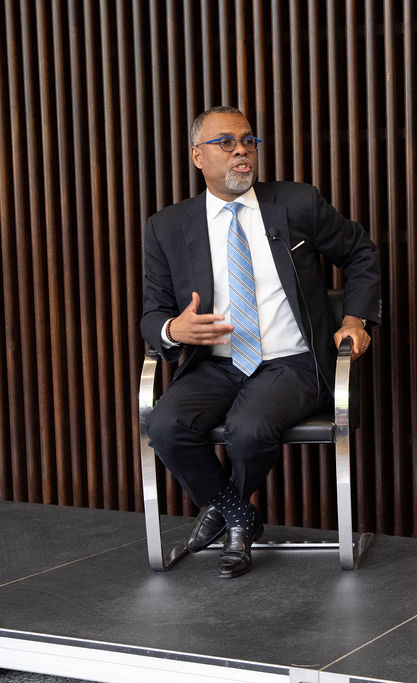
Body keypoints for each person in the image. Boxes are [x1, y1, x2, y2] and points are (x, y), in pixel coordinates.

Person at [141, 105, 381, 579]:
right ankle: (238, 514)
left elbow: (360, 253)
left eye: (248, 141)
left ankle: (228, 517)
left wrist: (355, 320)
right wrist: (173, 330)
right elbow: (153, 312)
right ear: (197, 156)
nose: (241, 152)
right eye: (225, 143)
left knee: (249, 430)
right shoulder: (167, 228)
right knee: (165, 425)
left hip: (291, 361)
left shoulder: (296, 203)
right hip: (215, 363)